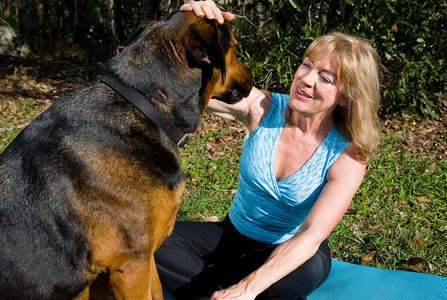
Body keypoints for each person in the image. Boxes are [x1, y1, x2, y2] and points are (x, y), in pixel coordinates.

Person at [155, 1, 381, 299]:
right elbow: (177, 87)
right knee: (152, 242)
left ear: (345, 97)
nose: (307, 80)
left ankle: (231, 289)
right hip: (233, 236)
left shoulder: (348, 154)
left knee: (289, 283)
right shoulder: (260, 107)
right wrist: (187, 20)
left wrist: (248, 289)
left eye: (326, 78)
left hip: (293, 248)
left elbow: (311, 235)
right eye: (307, 65)